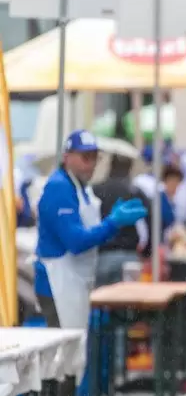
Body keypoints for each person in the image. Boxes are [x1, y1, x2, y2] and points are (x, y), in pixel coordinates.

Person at [35, 130, 148, 330]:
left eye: (95, 158)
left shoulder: (81, 186)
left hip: (74, 281)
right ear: (67, 157)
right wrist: (112, 223)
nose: (92, 164)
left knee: (75, 351)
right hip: (57, 282)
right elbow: (76, 241)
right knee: (66, 353)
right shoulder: (59, 187)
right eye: (85, 158)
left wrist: (111, 223)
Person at [93, 154, 152, 287]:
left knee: (101, 301)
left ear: (110, 166)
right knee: (129, 303)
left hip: (102, 256)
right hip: (129, 258)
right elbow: (150, 223)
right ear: (129, 168)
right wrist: (147, 252)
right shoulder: (135, 192)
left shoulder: (96, 190)